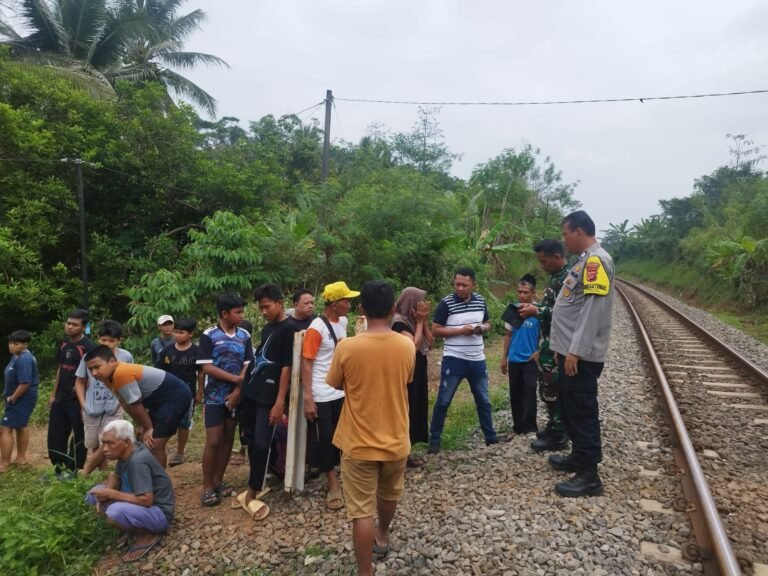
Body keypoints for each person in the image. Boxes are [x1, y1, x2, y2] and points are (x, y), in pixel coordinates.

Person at [327, 280, 415, 576]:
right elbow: (407, 380)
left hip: (358, 442)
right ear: (393, 309)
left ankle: (365, 572)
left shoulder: (347, 347)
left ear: (361, 309)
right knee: (389, 494)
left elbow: (336, 383)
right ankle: (383, 535)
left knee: (361, 511)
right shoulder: (406, 345)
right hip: (396, 438)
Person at [548, 210, 615, 497]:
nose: (564, 240)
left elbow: (593, 309)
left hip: (580, 355)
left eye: (565, 234)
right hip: (569, 352)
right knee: (572, 407)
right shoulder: (585, 261)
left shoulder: (596, 262)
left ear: (578, 231)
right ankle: (578, 455)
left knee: (583, 411)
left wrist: (576, 351)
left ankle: (589, 475)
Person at [236, 284, 296, 521]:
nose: (263, 311)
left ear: (280, 302)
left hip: (268, 397)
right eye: (260, 307)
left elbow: (286, 367)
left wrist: (279, 401)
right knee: (251, 440)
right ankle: (256, 482)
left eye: (267, 306)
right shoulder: (269, 327)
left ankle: (252, 492)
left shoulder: (289, 329)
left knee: (262, 442)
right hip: (253, 390)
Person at [83, 345, 192, 469]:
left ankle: (159, 485)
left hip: (175, 397)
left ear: (112, 361)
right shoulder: (107, 377)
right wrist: (140, 424)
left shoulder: (121, 373)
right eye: (90, 369)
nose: (94, 373)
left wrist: (149, 428)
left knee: (155, 444)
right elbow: (125, 402)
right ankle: (143, 475)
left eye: (97, 367)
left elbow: (135, 404)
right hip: (158, 401)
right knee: (141, 439)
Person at [428, 268, 498, 453]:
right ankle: (434, 441)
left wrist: (482, 328)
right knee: (443, 401)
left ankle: (490, 438)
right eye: (457, 284)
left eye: (464, 285)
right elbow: (435, 330)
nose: (459, 288)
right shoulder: (446, 303)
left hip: (477, 359)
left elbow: (488, 322)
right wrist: (460, 331)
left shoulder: (481, 301)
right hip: (454, 359)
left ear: (474, 285)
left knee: (483, 400)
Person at [302, 281, 359, 509]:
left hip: (341, 391)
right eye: (346, 301)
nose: (349, 304)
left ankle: (344, 472)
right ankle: (332, 483)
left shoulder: (343, 322)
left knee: (343, 435)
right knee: (325, 438)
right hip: (321, 392)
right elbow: (307, 363)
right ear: (335, 304)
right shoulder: (317, 328)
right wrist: (308, 397)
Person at [85, 420, 174, 563]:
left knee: (114, 512)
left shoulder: (138, 462)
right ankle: (131, 526)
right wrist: (106, 491)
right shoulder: (129, 451)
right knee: (93, 494)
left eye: (110, 443)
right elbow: (116, 475)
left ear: (126, 442)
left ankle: (147, 534)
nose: (105, 449)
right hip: (142, 505)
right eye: (103, 443)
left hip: (159, 512)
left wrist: (111, 494)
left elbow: (146, 499)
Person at [197, 293, 253, 507]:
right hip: (214, 397)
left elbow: (248, 363)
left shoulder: (244, 335)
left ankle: (219, 481)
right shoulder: (209, 335)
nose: (241, 315)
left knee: (229, 438)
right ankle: (207, 486)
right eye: (238, 312)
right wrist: (236, 378)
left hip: (236, 397)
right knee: (213, 440)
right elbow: (206, 366)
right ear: (224, 313)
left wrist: (239, 390)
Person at [518, 239, 570, 453]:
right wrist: (536, 307)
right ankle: (553, 425)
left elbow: (566, 314)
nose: (542, 266)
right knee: (547, 387)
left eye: (544, 261)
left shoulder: (568, 279)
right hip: (549, 342)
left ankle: (559, 433)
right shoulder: (555, 277)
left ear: (556, 257)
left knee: (553, 388)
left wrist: (536, 311)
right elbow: (552, 306)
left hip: (558, 345)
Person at [75, 320, 133, 474]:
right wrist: (83, 405)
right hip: (92, 407)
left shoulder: (125, 356)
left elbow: (130, 382)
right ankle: (101, 475)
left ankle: (96, 473)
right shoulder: (89, 356)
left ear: (119, 341)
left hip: (114, 407)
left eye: (111, 340)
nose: (107, 343)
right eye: (103, 340)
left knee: (106, 441)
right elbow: (80, 381)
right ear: (98, 339)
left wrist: (122, 404)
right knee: (93, 443)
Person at [48, 309, 94, 476]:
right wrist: (53, 395)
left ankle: (73, 467)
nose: (70, 327)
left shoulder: (88, 347)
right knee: (56, 433)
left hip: (77, 400)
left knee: (79, 435)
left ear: (84, 327)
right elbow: (61, 369)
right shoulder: (63, 344)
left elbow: (91, 375)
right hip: (61, 397)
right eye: (68, 323)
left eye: (75, 324)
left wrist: (85, 403)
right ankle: (57, 467)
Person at [391, 287, 433, 468]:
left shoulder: (415, 320)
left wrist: (423, 322)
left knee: (417, 407)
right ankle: (401, 452)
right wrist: (419, 323)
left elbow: (430, 342)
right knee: (407, 409)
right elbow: (412, 347)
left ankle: (408, 450)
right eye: (419, 302)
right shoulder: (399, 322)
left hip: (419, 370)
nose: (422, 305)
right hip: (407, 372)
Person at [155, 318, 203, 467]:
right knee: (167, 420)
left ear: (190, 334)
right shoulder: (166, 351)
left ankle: (180, 452)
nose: (177, 335)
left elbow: (201, 373)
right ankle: (159, 447)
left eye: (181, 332)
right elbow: (160, 372)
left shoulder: (196, 351)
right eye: (176, 331)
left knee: (184, 423)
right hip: (169, 394)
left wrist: (200, 392)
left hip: (188, 393)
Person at [501, 275, 540, 437]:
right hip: (515, 359)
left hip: (531, 360)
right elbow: (508, 335)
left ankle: (530, 426)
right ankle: (518, 426)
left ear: (533, 293)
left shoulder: (539, 312)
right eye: (520, 292)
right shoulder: (513, 310)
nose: (522, 295)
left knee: (530, 390)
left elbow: (546, 335)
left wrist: (540, 352)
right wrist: (504, 357)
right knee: (515, 392)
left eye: (526, 292)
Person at [1, 330, 39, 472]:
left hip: (21, 398)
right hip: (19, 397)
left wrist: (13, 398)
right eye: (10, 343)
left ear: (25, 344)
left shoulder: (24, 359)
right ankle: (21, 458)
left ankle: (4, 463)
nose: (11, 346)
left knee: (5, 428)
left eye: (16, 344)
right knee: (20, 426)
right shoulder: (17, 355)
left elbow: (25, 382)